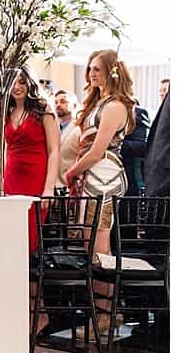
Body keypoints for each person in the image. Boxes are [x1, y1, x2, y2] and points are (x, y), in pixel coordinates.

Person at [63, 49, 136, 281]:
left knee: (100, 250)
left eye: (97, 69)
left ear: (111, 72)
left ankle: (106, 313)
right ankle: (98, 310)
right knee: (89, 245)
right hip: (91, 176)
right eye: (90, 68)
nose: (91, 73)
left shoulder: (115, 106)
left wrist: (72, 172)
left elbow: (97, 151)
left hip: (105, 177)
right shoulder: (99, 102)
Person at [0, 71, 61, 262]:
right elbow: (4, 149)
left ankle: (30, 289)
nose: (16, 87)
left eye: (21, 82)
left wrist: (49, 187)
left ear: (30, 83)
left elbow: (54, 150)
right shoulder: (5, 110)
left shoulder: (43, 110)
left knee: (30, 236)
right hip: (11, 179)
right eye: (12, 83)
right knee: (9, 234)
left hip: (36, 179)